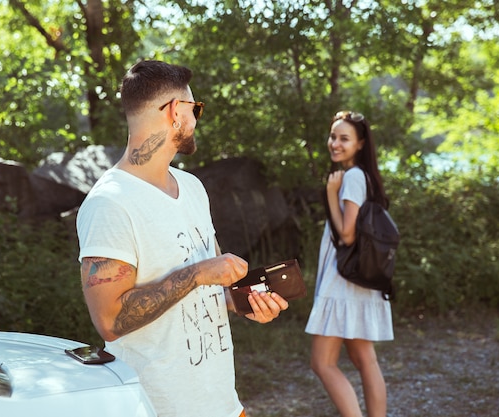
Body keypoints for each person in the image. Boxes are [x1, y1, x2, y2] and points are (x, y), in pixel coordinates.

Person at [76, 60, 289, 417]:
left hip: (223, 404)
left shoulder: (192, 188)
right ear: (176, 111)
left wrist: (245, 303)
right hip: (160, 408)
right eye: (196, 108)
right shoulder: (109, 203)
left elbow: (213, 292)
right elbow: (110, 322)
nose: (196, 119)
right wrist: (197, 274)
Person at [306, 111, 394, 417]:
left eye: (344, 138)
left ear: (360, 144)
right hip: (359, 279)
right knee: (364, 359)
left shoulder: (353, 177)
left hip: (343, 280)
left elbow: (346, 233)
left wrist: (331, 193)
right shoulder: (363, 175)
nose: (335, 143)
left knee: (322, 363)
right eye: (333, 137)